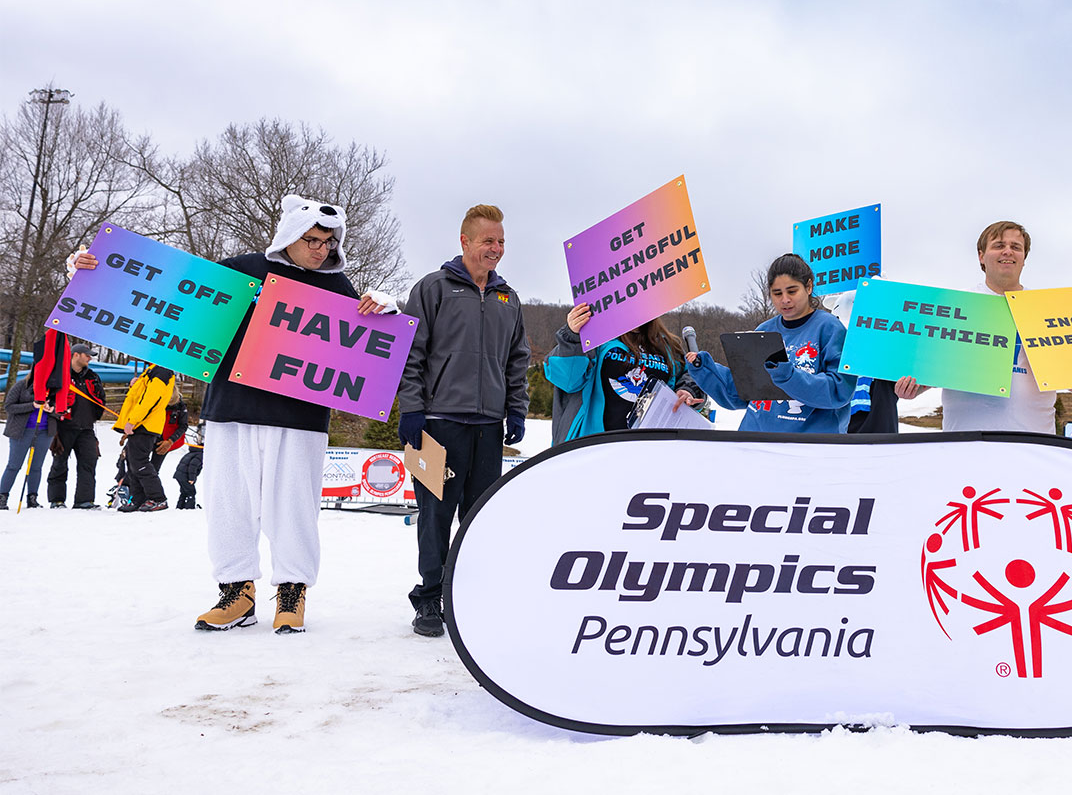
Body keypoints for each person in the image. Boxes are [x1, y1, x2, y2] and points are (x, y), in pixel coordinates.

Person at [73, 193, 397, 633]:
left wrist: (383, 311)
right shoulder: (240, 270)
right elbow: (164, 294)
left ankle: (292, 590)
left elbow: (360, 351)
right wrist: (94, 274)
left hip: (300, 419)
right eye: (312, 240)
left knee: (294, 507)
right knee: (228, 504)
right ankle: (236, 590)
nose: (321, 250)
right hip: (232, 409)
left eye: (328, 241)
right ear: (289, 234)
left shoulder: (337, 289)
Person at [398, 204, 531, 638]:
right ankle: (430, 598)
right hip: (438, 424)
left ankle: (471, 594)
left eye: (501, 241)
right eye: (488, 240)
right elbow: (410, 354)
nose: (496, 249)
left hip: (488, 427)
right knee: (435, 513)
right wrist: (411, 409)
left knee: (480, 516)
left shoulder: (508, 298)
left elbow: (517, 360)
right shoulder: (433, 289)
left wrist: (516, 409)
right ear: (465, 242)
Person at [896, 221, 1072, 431]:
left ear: (1024, 258)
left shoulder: (1044, 310)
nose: (1008, 252)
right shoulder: (955, 308)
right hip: (967, 442)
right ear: (981, 256)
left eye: (1016, 247)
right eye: (999, 245)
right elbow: (941, 368)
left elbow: (1067, 375)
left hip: (1034, 443)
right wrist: (912, 390)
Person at [685, 253, 854, 433]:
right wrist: (705, 370)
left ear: (809, 286)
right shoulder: (764, 330)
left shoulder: (829, 328)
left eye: (792, 291)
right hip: (757, 443)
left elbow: (840, 390)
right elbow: (740, 393)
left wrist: (789, 376)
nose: (785, 300)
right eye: (777, 293)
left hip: (808, 447)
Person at [546, 314, 701, 443]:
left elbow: (691, 377)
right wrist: (572, 336)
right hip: (593, 448)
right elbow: (567, 380)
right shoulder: (595, 337)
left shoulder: (666, 345)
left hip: (648, 451)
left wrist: (687, 391)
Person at [46, 343, 107, 509]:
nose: (90, 358)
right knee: (59, 464)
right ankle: (57, 500)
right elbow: (48, 397)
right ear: (75, 355)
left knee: (89, 463)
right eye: (87, 355)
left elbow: (101, 396)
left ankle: (84, 500)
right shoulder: (59, 375)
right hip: (63, 427)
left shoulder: (92, 376)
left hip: (86, 428)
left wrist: (96, 414)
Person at [112, 363, 177, 512]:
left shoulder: (162, 370)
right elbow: (141, 397)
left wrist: (133, 420)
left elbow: (151, 399)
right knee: (133, 463)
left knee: (140, 463)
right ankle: (138, 499)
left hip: (145, 424)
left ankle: (158, 498)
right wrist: (134, 385)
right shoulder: (152, 370)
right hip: (142, 424)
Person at [2, 371, 60, 511]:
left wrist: (52, 409)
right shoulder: (22, 386)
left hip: (45, 432)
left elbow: (62, 410)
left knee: (36, 466)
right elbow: (9, 406)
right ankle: (2, 496)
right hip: (22, 431)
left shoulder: (54, 390)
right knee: (14, 465)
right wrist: (32, 405)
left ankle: (32, 497)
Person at [174, 421, 205, 510]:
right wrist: (192, 478)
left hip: (179, 475)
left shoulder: (194, 452)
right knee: (191, 492)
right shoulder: (200, 455)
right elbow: (193, 467)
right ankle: (190, 508)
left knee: (184, 492)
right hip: (185, 476)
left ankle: (180, 507)